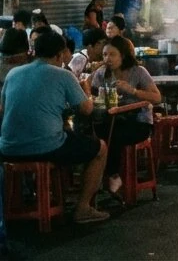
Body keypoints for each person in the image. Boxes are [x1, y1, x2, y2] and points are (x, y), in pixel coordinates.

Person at [0, 31, 110, 223]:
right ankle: (83, 208)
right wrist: (87, 91)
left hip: (8, 147)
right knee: (100, 148)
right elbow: (86, 109)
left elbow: (3, 108)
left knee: (65, 134)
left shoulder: (13, 73)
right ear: (60, 54)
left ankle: (20, 205)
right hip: (46, 147)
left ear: (34, 52)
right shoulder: (63, 75)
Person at [88, 35, 162, 195]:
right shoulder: (102, 74)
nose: (107, 59)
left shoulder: (138, 72)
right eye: (104, 55)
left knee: (113, 134)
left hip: (139, 122)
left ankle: (112, 174)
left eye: (112, 54)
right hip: (111, 119)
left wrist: (132, 91)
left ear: (123, 55)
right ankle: (101, 177)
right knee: (96, 134)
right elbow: (92, 94)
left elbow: (157, 97)